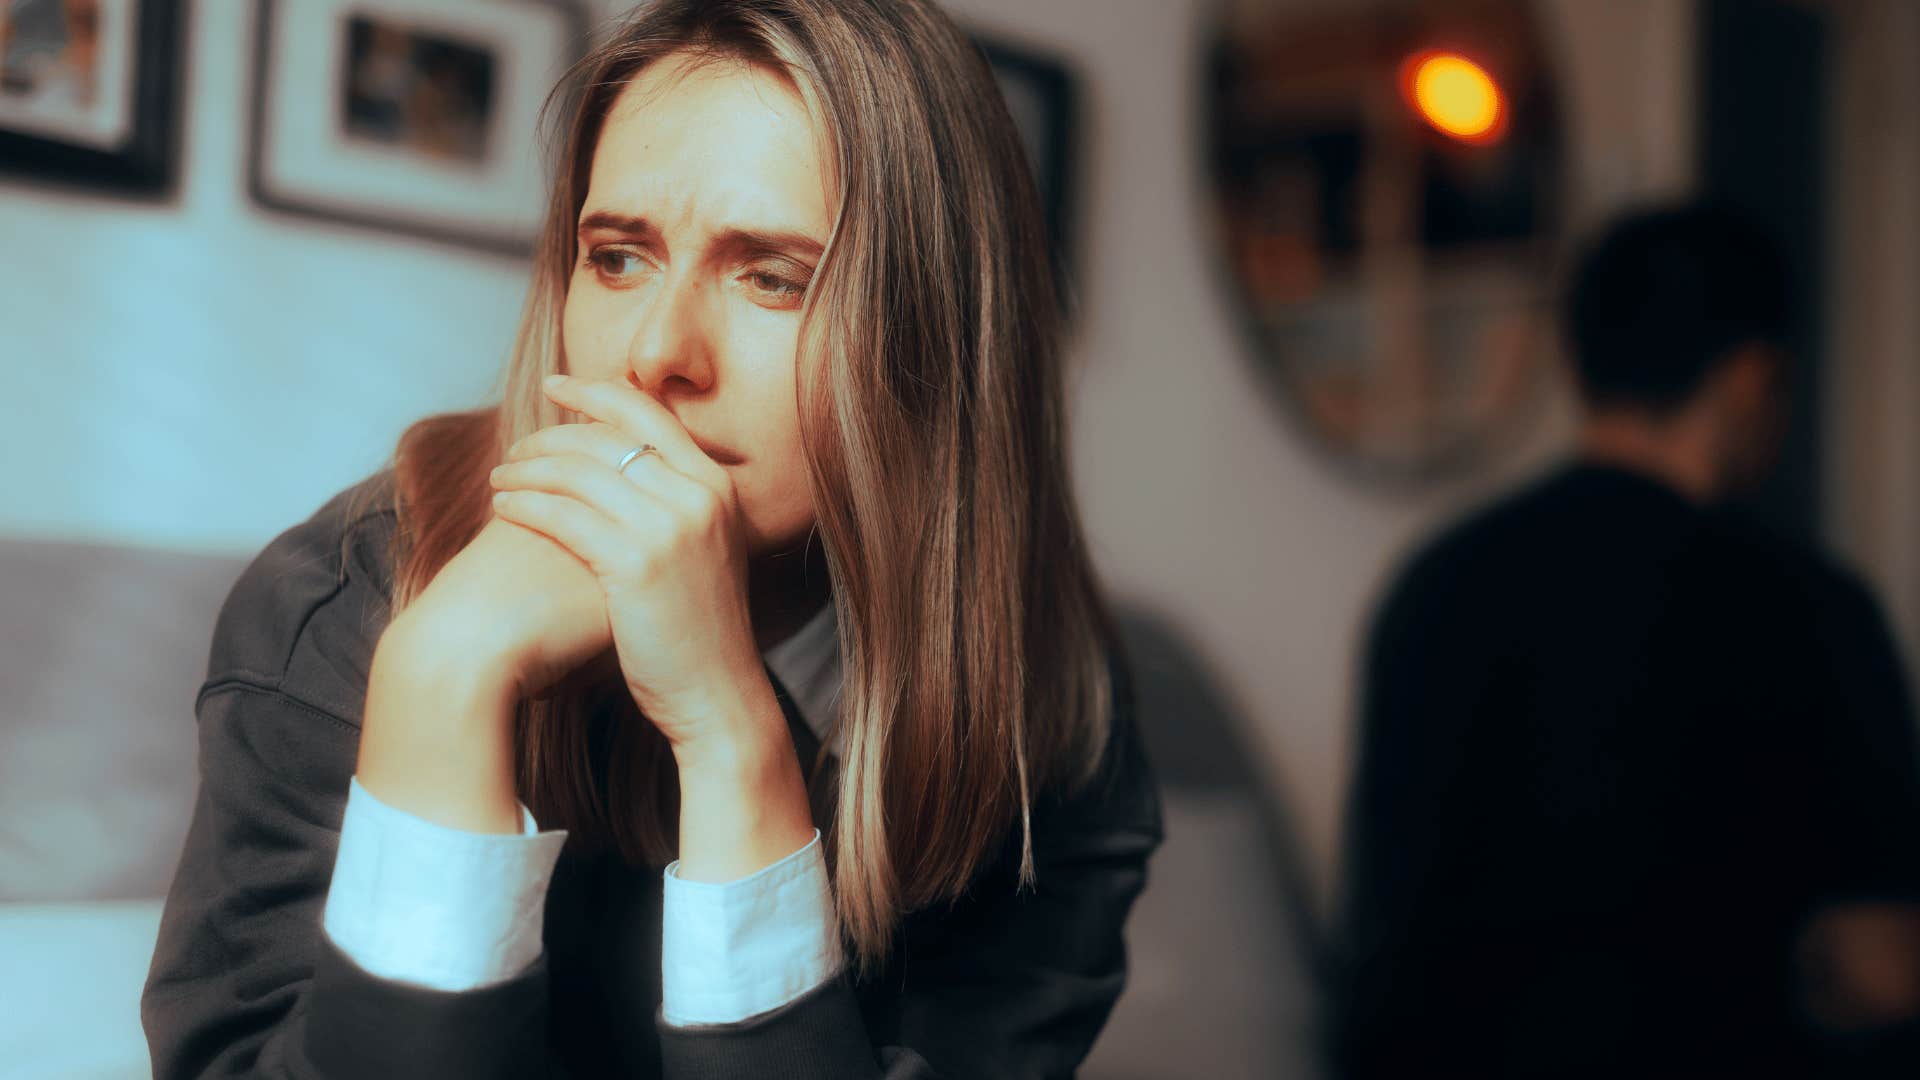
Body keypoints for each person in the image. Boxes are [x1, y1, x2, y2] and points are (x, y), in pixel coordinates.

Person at [139, 2, 1162, 1076]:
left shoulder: (1055, 720)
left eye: (772, 276)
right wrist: (438, 685)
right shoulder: (344, 598)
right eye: (619, 258)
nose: (657, 355)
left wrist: (731, 736)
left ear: (941, 346)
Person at [1333, 203, 1920, 1077]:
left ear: (1579, 366)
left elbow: (1384, 928)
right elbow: (1889, 970)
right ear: (1753, 379)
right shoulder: (1814, 613)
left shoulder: (1437, 582)